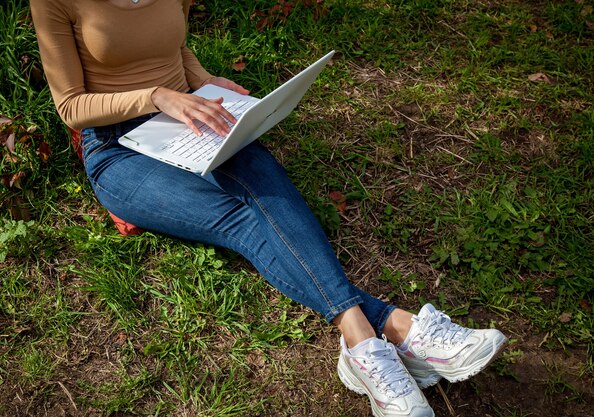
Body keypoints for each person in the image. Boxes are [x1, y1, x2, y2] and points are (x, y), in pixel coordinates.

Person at [29, 1, 507, 416]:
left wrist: (205, 82)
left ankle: (365, 346)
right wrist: (156, 96)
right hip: (119, 150)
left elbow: (173, 51)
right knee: (240, 218)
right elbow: (71, 106)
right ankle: (388, 328)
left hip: (196, 119)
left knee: (272, 201)